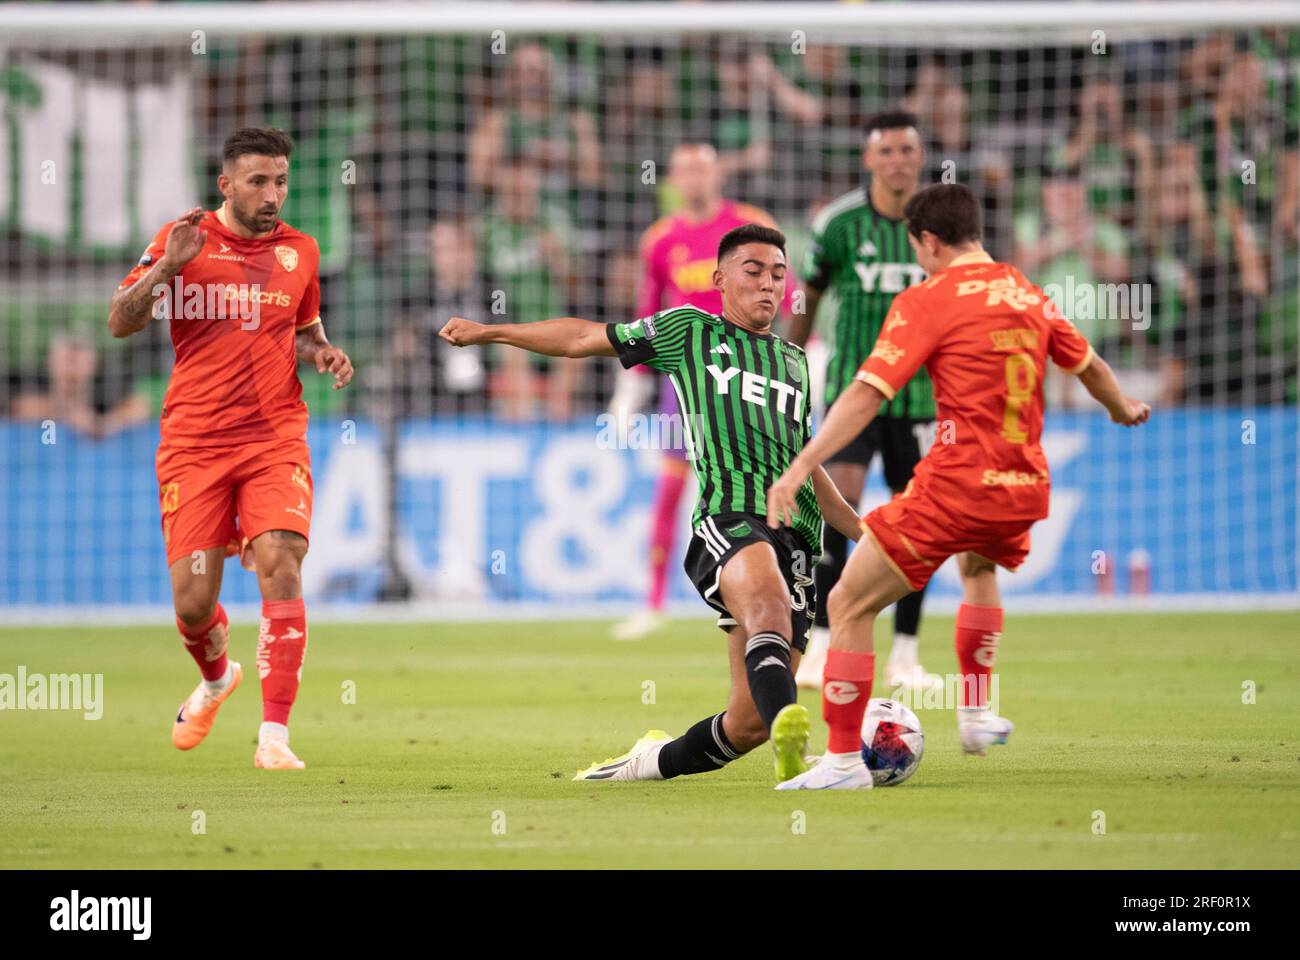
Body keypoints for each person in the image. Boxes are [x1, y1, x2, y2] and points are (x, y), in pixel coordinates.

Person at [440, 224, 864, 785]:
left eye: (779, 275)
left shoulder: (792, 362)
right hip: (730, 517)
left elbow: (807, 470)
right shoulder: (689, 330)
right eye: (754, 271)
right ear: (720, 279)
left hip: (798, 538)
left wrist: (866, 532)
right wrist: (493, 333)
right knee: (768, 606)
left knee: (745, 725)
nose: (769, 285)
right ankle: (795, 731)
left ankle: (643, 764)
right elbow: (581, 338)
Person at [767, 184, 1150, 791]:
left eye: (917, 248)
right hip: (1022, 485)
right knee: (977, 569)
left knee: (847, 604)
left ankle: (843, 762)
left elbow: (866, 393)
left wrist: (799, 465)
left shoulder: (929, 298)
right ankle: (974, 715)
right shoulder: (1026, 291)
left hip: (958, 484)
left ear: (929, 241)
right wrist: (1122, 407)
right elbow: (1092, 366)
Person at [108, 127, 354, 770]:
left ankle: (274, 735)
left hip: (274, 435)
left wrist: (322, 350)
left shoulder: (302, 250)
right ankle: (218, 677)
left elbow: (301, 326)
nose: (272, 194)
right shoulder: (181, 239)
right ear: (225, 184)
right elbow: (120, 322)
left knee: (282, 557)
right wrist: (167, 267)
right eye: (258, 182)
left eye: (280, 181)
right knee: (192, 603)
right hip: (193, 442)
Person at [609, 142, 789, 641]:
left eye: (702, 169)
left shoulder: (750, 225)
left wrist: (802, 350)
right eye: (684, 169)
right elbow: (648, 314)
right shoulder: (661, 240)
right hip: (686, 383)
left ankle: (785, 588)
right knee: (669, 489)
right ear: (671, 178)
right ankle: (653, 603)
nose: (693, 179)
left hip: (750, 374)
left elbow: (783, 293)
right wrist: (629, 389)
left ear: (718, 174)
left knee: (768, 487)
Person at [787, 111, 940, 695]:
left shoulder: (938, 225)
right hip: (855, 391)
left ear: (919, 158)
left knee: (920, 521)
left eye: (908, 150)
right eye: (888, 151)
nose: (898, 160)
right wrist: (789, 368)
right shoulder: (839, 224)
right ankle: (823, 639)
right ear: (869, 159)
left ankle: (905, 653)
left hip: (922, 396)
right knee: (840, 505)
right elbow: (810, 297)